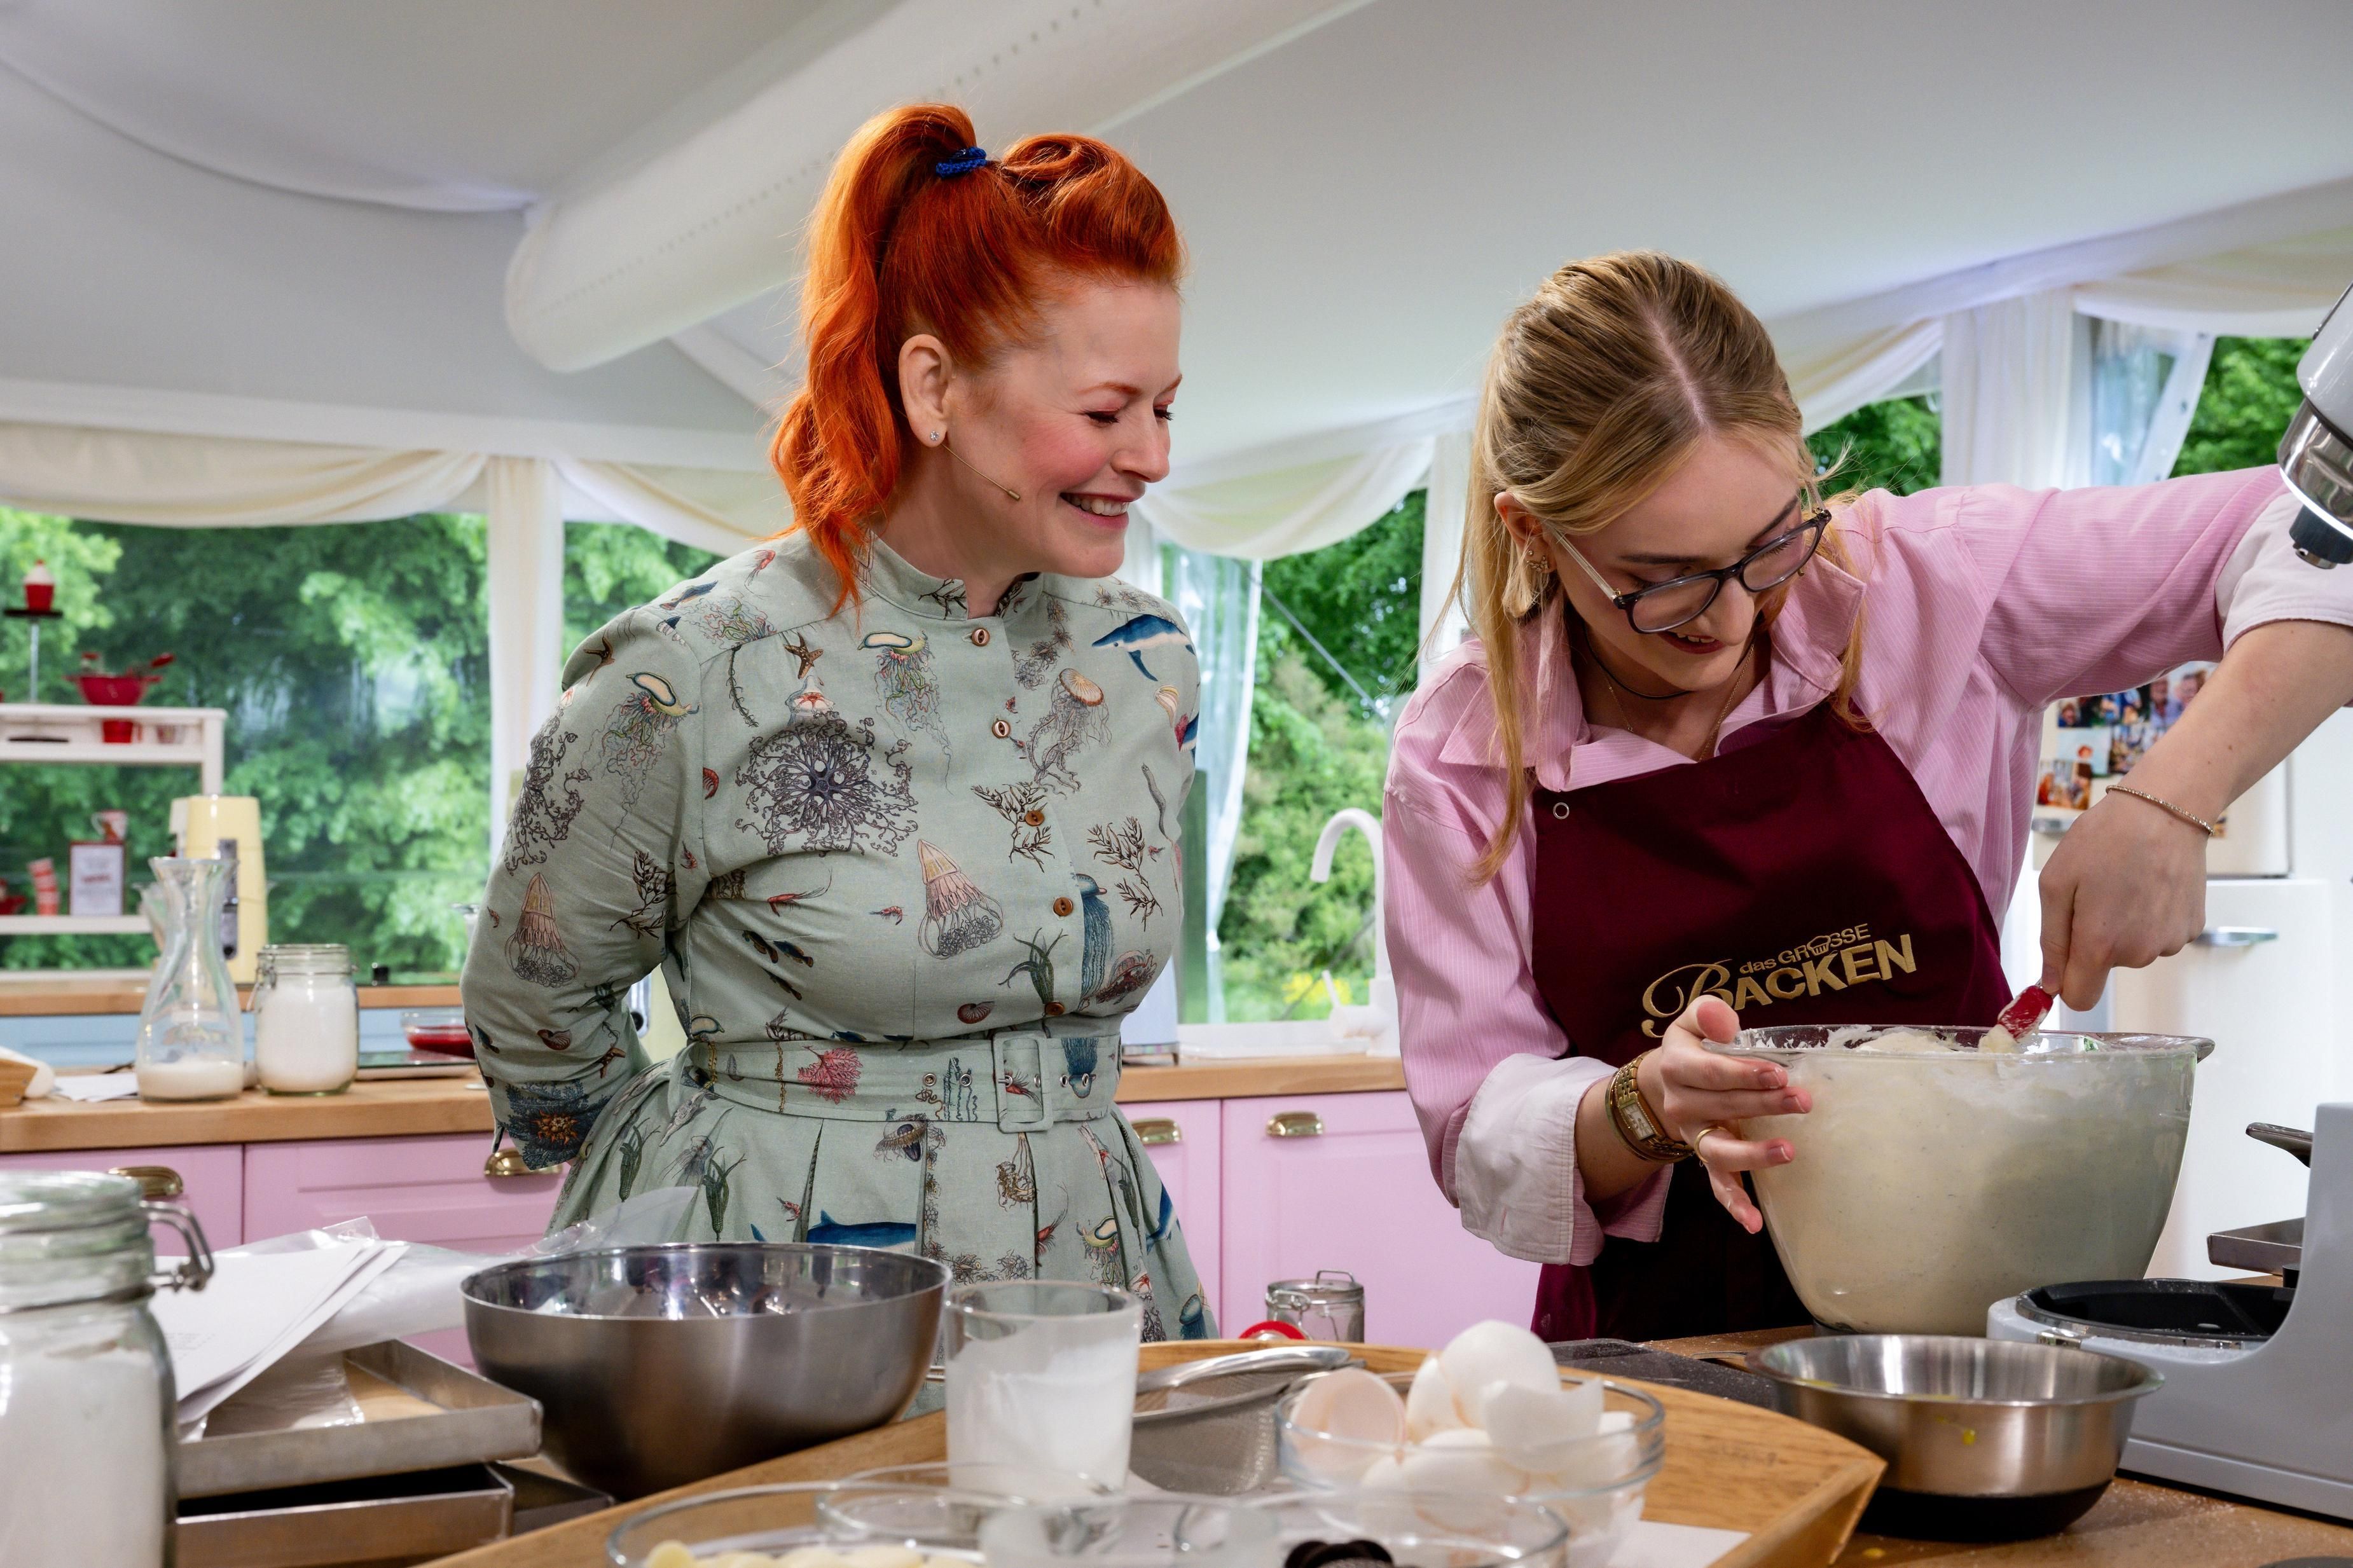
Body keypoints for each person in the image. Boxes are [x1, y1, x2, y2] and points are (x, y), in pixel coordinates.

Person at [1383, 252, 2353, 1342]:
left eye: (1768, 546)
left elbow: (2317, 530)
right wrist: (1644, 1102)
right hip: (1666, 1343)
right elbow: (1475, 1131)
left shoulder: (1922, 587)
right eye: (1664, 580)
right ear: (1533, 533)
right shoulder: (1461, 755)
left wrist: (2171, 797)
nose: (1736, 615)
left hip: (1971, 1316)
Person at [460, 104, 1211, 1339]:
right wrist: (713, 1167)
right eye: (1104, 410)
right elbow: (532, 1011)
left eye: (1166, 410)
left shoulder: (1150, 666)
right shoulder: (691, 669)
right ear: (932, 385)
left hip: (1092, 1273)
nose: (1150, 456)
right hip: (773, 1315)